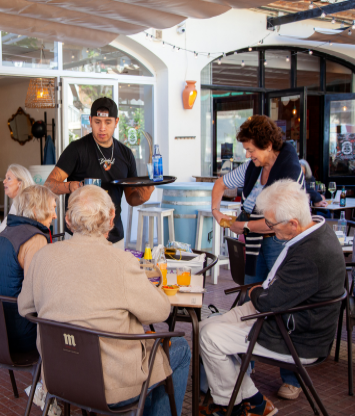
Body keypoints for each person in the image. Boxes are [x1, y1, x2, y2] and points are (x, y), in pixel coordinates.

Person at [18, 186, 190, 416]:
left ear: (68, 220)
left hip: (59, 377)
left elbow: (24, 307)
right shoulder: (121, 262)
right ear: (111, 219)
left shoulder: (43, 256)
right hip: (112, 386)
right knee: (180, 348)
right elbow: (160, 312)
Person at [199, 180, 345, 415]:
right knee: (204, 327)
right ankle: (255, 402)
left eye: (271, 224)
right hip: (280, 315)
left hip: (295, 336)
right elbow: (273, 296)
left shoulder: (311, 254)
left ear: (293, 223)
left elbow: (268, 301)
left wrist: (255, 291)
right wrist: (261, 292)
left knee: (210, 337)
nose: (268, 228)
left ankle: (230, 406)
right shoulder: (314, 229)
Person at [44, 97, 154, 249]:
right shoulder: (76, 149)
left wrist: (142, 197)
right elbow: (49, 185)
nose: (102, 128)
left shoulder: (126, 154)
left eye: (108, 122)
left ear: (116, 122)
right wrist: (71, 186)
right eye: (97, 122)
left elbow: (130, 198)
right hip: (79, 236)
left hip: (114, 236)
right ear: (90, 120)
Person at [212, 115, 305, 286]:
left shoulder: (291, 172)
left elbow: (281, 220)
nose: (248, 154)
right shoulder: (251, 167)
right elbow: (220, 184)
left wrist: (244, 226)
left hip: (279, 241)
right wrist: (215, 211)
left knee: (278, 293)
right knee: (252, 292)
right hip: (254, 240)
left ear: (268, 146)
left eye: (251, 150)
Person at [0, 185, 57, 353]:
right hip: (20, 332)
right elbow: (37, 293)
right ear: (36, 209)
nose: (55, 215)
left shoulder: (5, 233)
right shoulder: (35, 238)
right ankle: (46, 378)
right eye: (52, 208)